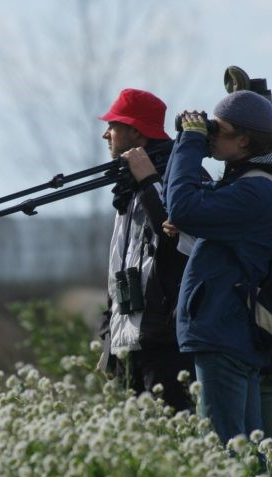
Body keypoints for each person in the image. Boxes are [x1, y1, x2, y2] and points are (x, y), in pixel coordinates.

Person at [160, 90, 272, 444]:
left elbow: (182, 208)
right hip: (229, 331)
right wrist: (186, 143)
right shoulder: (250, 184)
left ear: (244, 140)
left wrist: (191, 140)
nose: (211, 134)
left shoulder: (255, 192)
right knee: (246, 448)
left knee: (227, 448)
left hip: (224, 332)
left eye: (219, 129)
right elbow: (174, 201)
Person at [95, 88, 197, 412]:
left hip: (165, 345)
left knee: (175, 440)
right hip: (131, 344)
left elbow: (180, 241)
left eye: (113, 124)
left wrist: (149, 181)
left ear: (136, 131)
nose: (105, 133)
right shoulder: (130, 188)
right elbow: (120, 266)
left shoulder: (175, 180)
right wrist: (108, 335)